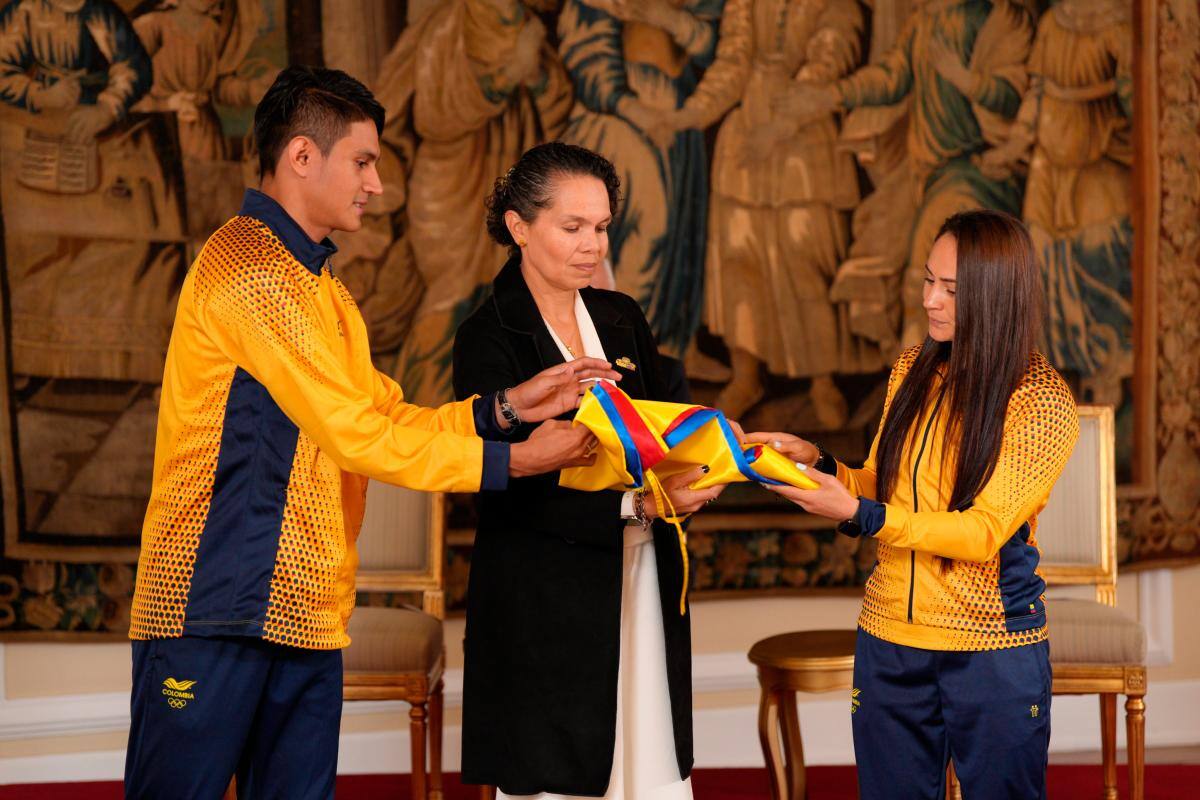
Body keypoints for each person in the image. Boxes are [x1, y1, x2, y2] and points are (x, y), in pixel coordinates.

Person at [123, 67, 617, 800]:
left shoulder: (320, 287)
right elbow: (358, 435)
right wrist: (512, 462)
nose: (376, 184)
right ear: (301, 158)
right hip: (215, 603)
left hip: (303, 606)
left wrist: (507, 407)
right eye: (363, 160)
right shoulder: (250, 270)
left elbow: (382, 413)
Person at [745, 210, 1079, 799]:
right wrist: (820, 464)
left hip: (991, 648)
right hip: (890, 641)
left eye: (951, 289)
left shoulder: (1041, 401)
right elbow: (881, 480)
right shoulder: (911, 368)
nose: (930, 300)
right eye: (928, 280)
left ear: (996, 295)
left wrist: (858, 515)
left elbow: (982, 533)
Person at [453, 142, 725, 799]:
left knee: (644, 761)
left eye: (601, 228)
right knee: (561, 777)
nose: (592, 245)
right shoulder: (488, 334)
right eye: (572, 227)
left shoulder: (620, 317)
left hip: (636, 575)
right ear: (520, 228)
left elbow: (659, 433)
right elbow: (501, 488)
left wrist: (718, 447)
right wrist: (636, 508)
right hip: (542, 598)